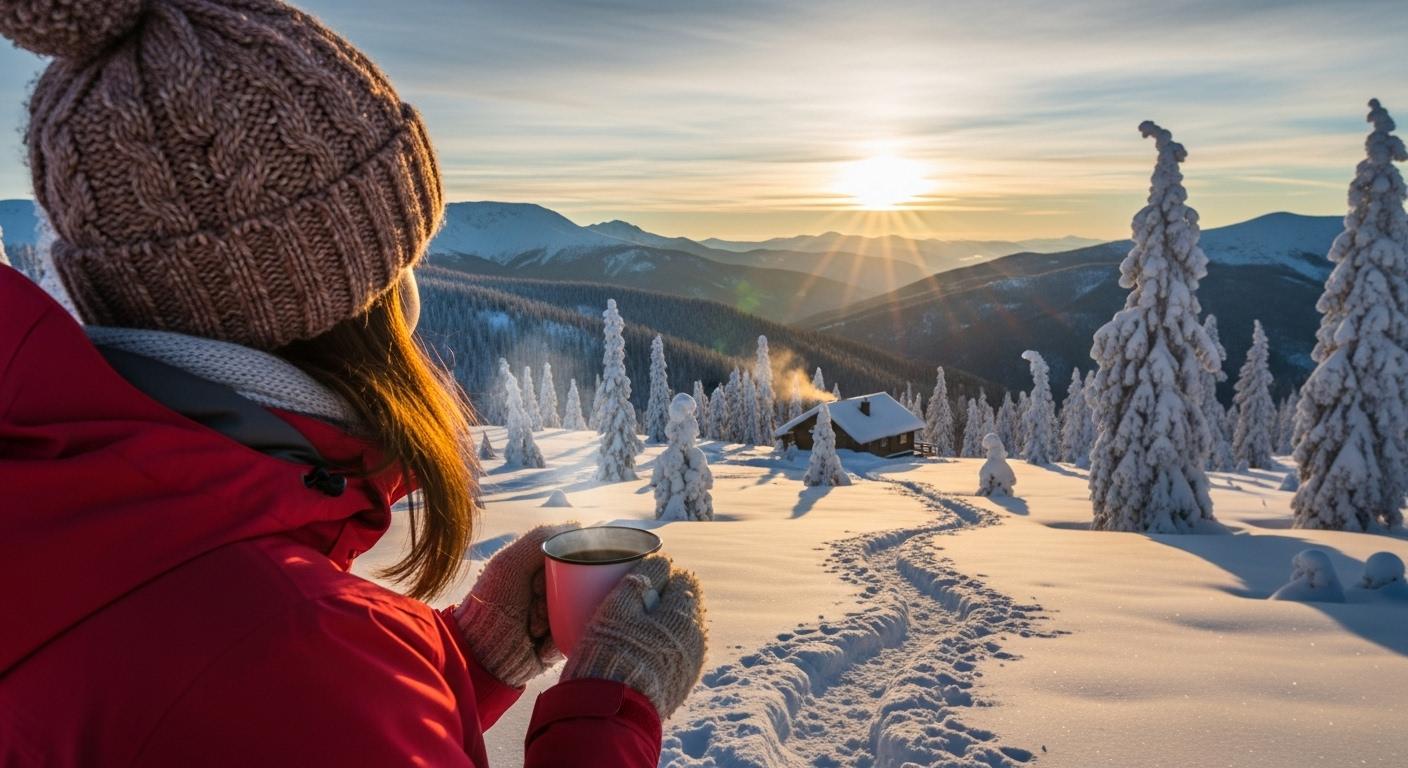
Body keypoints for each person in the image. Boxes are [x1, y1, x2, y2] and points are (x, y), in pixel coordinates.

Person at [0, 1, 707, 766]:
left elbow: (222, 696)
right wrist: (611, 713)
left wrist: (470, 659)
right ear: (344, 303)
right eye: (402, 267)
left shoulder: (64, 503)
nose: (412, 300)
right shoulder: (290, 651)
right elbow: (287, 690)